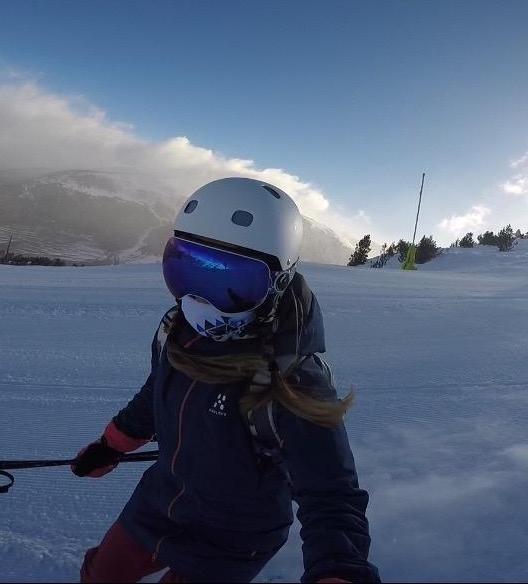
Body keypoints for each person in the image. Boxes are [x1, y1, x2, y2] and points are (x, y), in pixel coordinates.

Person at [73, 177, 379, 583]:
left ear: (277, 283)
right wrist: (112, 444)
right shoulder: (175, 332)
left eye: (230, 283)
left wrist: (340, 568)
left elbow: (331, 493)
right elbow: (156, 394)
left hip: (233, 537)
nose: (199, 302)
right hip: (158, 503)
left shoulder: (292, 379)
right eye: (185, 271)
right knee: (100, 576)